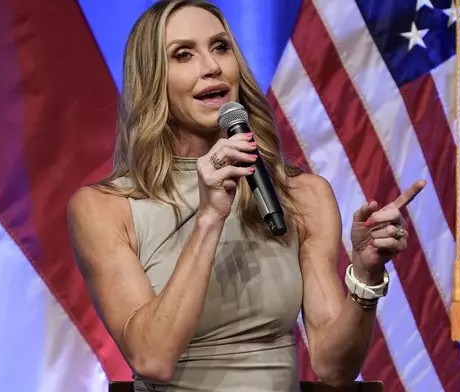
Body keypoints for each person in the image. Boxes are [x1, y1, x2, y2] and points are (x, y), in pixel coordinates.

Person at [66, 0, 426, 391]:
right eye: (183, 54)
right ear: (153, 79)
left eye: (220, 47)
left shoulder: (301, 195)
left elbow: (333, 367)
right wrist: (209, 218)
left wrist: (366, 277)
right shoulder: (104, 209)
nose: (212, 66)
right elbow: (152, 359)